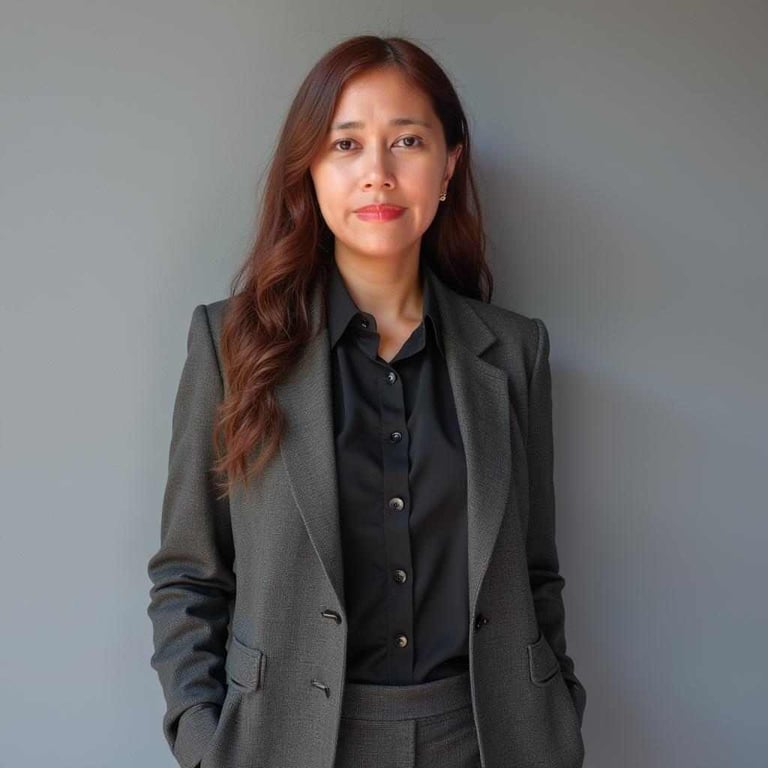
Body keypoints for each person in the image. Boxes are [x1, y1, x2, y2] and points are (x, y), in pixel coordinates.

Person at [147, 34, 587, 768]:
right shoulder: (230, 344)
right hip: (285, 744)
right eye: (346, 144)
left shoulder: (514, 353)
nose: (377, 173)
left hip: (486, 741)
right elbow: (189, 574)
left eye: (407, 141)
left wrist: (556, 715)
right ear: (311, 169)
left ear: (448, 165)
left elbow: (534, 573)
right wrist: (201, 740)